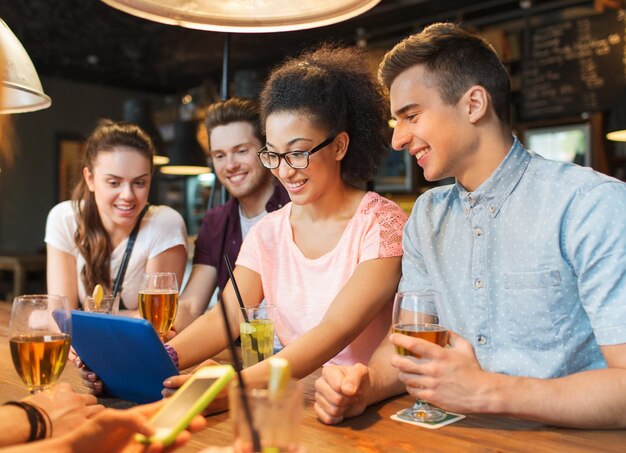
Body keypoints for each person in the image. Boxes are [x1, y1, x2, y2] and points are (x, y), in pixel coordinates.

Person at [314, 22, 626, 429]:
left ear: (474, 104)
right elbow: (410, 346)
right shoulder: (426, 216)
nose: (398, 139)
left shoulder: (589, 204)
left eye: (411, 116)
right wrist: (364, 386)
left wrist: (485, 391)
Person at [163, 44, 408, 397]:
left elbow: (335, 328)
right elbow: (226, 316)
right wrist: (164, 358)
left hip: (364, 399)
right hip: (296, 395)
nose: (284, 171)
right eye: (273, 155)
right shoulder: (269, 231)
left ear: (339, 146)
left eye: (297, 153)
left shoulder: (382, 224)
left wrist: (232, 384)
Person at [45, 120, 188, 314]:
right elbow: (61, 317)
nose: (128, 195)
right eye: (114, 182)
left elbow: (155, 321)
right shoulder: (64, 219)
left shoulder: (164, 223)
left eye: (139, 183)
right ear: (90, 179)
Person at [174, 97, 289, 332]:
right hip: (239, 353)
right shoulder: (216, 222)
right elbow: (191, 306)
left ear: (266, 151)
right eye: (219, 155)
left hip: (300, 355)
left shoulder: (296, 207)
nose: (230, 165)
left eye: (241, 151)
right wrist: (160, 332)